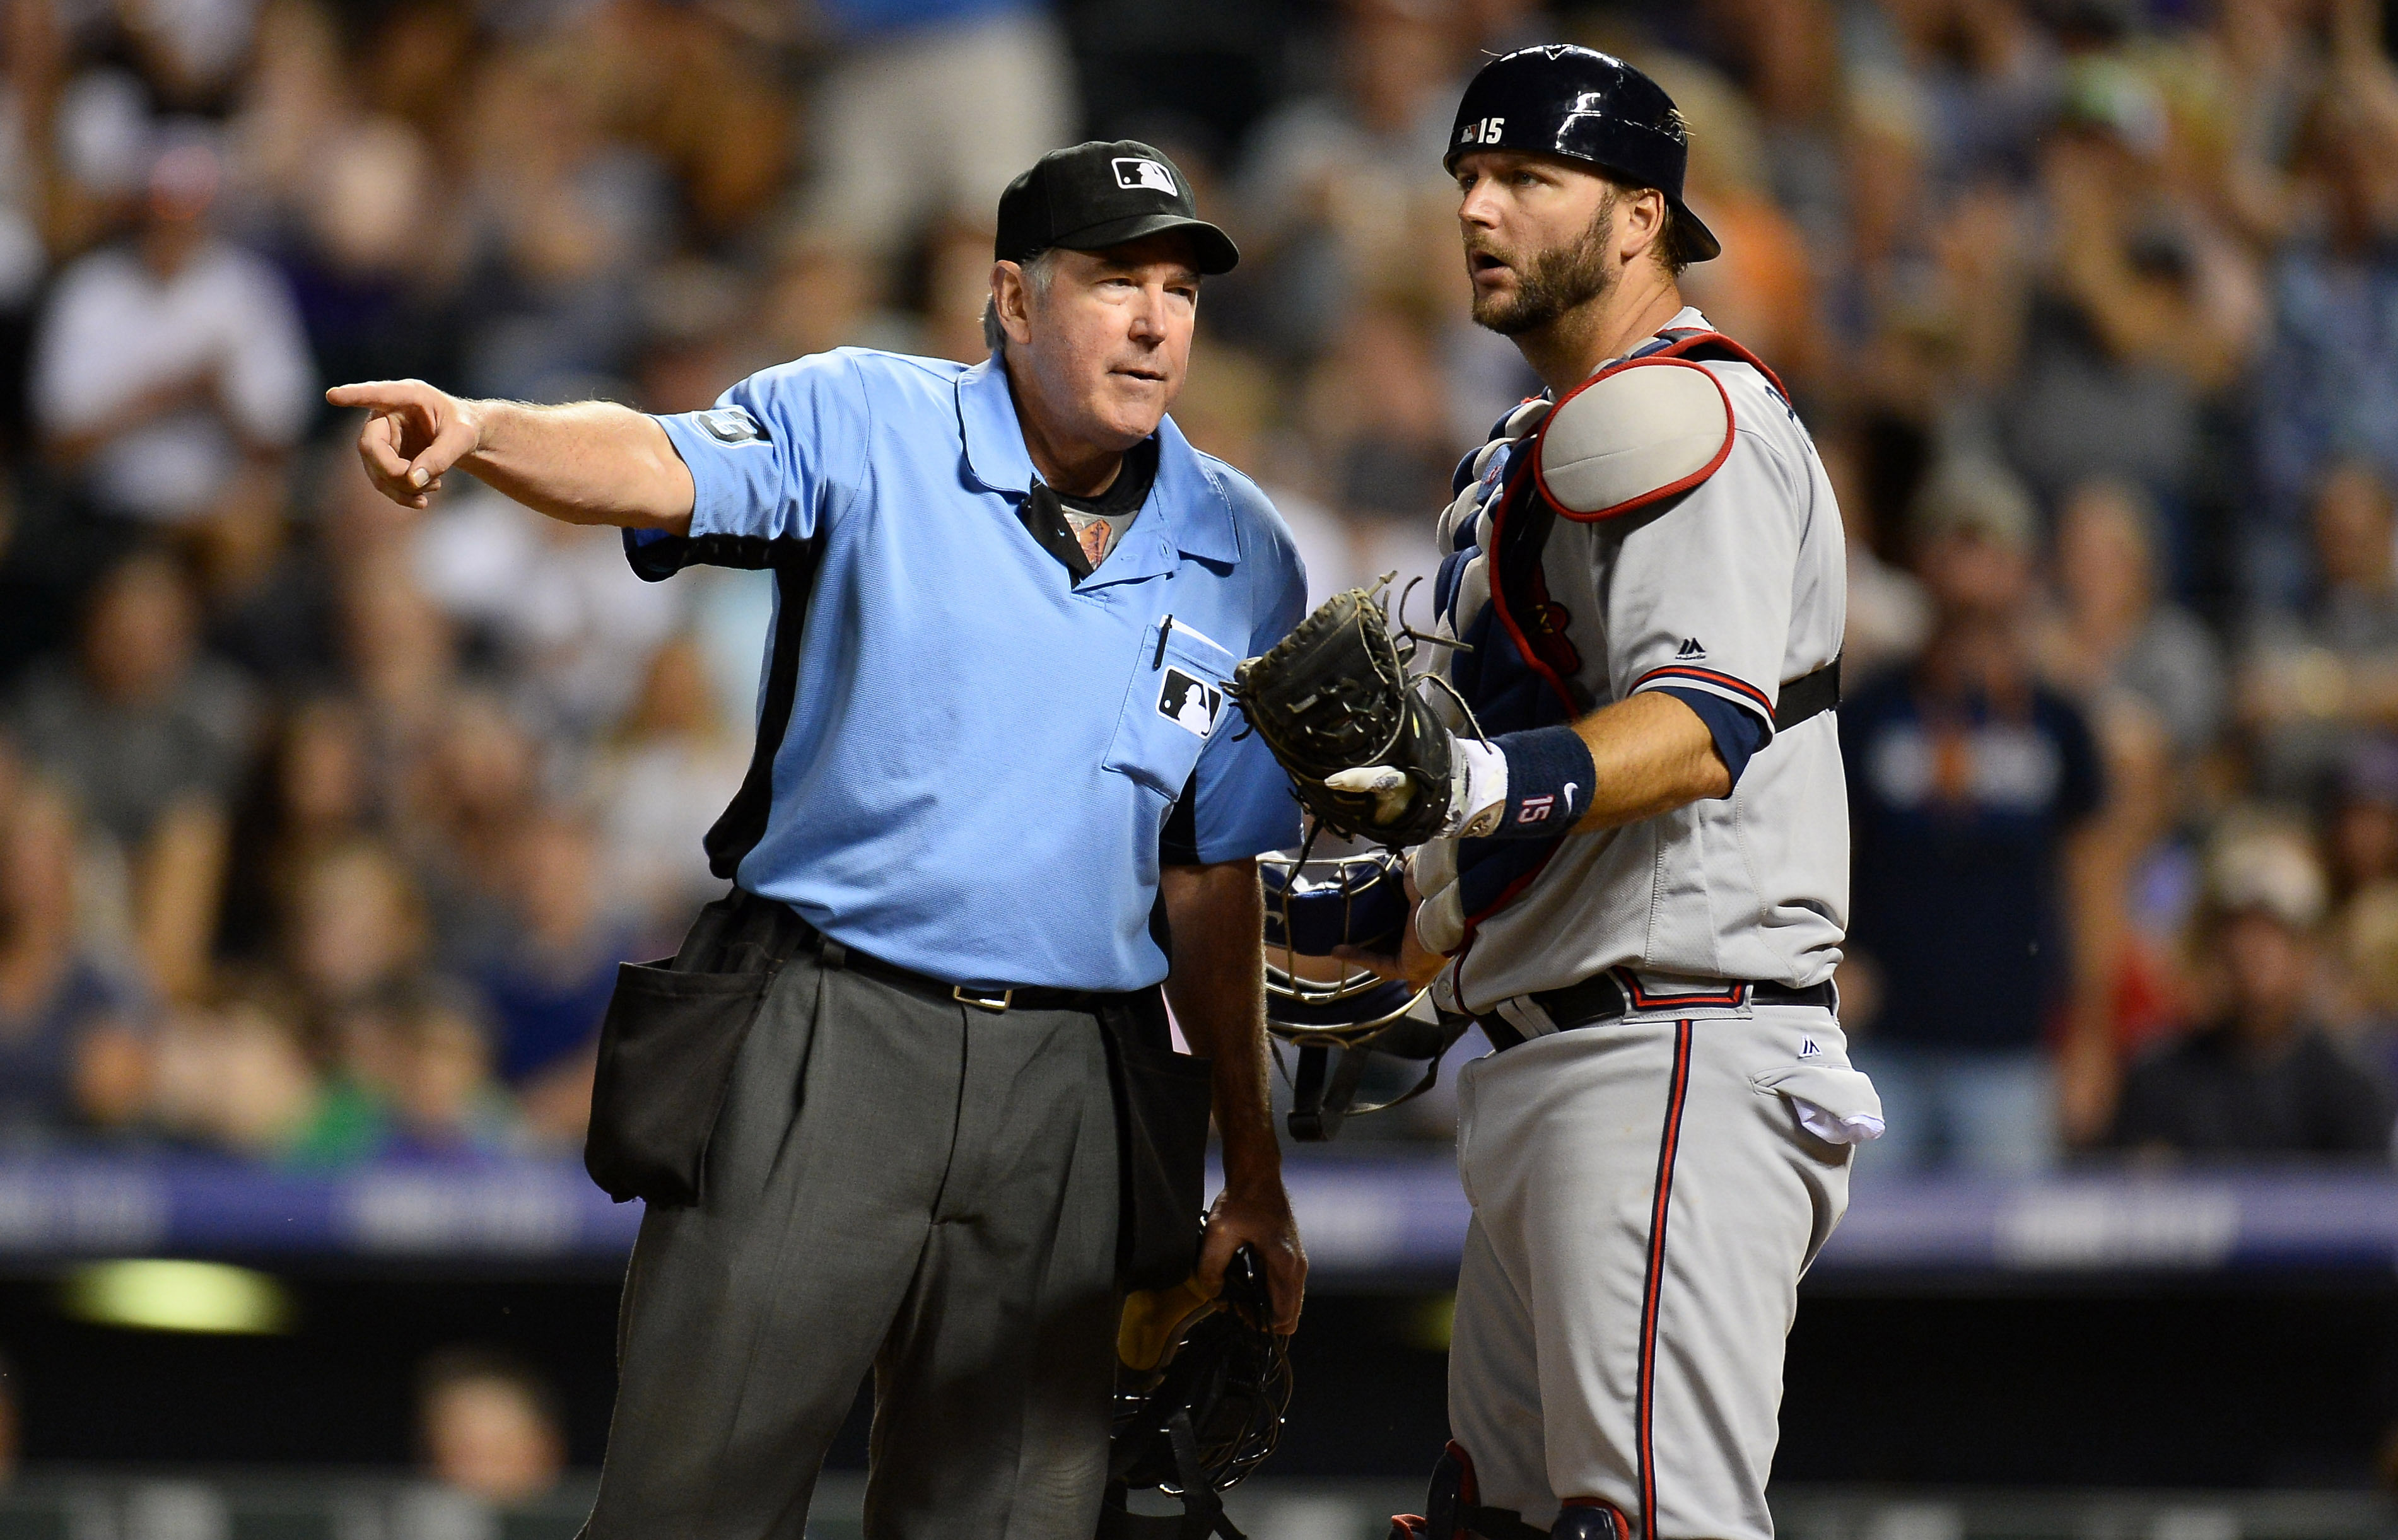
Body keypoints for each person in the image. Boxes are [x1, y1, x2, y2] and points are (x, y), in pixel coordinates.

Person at [329, 140, 1307, 1539]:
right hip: (830, 1034)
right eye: (1112, 282)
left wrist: (1251, 1172)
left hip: (1075, 1082)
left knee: (1010, 1524)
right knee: (694, 1505)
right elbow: (657, 464)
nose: (1155, 322)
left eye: (1178, 290)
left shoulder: (1244, 547)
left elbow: (1213, 877)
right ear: (1014, 302)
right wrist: (489, 429)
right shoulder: (866, 418)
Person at [1328, 47, 1878, 1540]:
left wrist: (1480, 783)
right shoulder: (1526, 446)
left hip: (1671, 1039)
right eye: (1467, 180)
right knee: (1497, 1522)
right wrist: (1410, 937)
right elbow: (1494, 770)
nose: (1480, 208)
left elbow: (1701, 728)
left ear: (1639, 216)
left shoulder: (1680, 420)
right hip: (1560, 1045)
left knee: (1645, 1522)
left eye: (1525, 179)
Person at [1842, 457, 2110, 1170]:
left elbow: (2091, 889)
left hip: (2011, 1052)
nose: (1967, 564)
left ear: (2024, 567)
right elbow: (1823, 863)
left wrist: (2089, 1040)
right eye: (1949, 540)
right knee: (1865, 1267)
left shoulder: (2058, 721)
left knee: (2013, 1273)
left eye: (1986, 543)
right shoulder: (1869, 713)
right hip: (1880, 1048)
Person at [2112, 825, 2395, 1161]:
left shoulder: (2351, 1091)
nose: (2253, 950)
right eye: (2238, 930)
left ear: (2307, 951)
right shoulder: (2157, 1082)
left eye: (2274, 932)